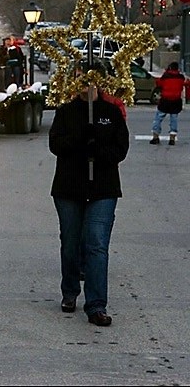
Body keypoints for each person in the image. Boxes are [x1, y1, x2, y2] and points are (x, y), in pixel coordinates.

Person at [48, 63, 129, 327]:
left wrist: (99, 147)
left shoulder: (111, 112)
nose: (85, 83)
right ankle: (70, 290)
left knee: (96, 244)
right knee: (71, 243)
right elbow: (56, 145)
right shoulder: (66, 112)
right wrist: (81, 138)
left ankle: (96, 304)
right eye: (80, 78)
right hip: (69, 187)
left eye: (90, 79)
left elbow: (120, 150)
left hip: (102, 188)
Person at [150, 61, 184, 145]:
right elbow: (183, 85)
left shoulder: (166, 76)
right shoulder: (180, 78)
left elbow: (159, 83)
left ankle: (155, 136)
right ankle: (172, 138)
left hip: (165, 100)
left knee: (158, 118)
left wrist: (165, 72)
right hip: (176, 101)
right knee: (174, 119)